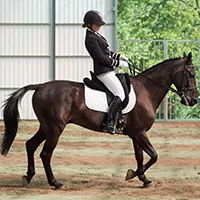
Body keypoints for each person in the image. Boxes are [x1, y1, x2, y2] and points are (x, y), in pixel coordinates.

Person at [82, 10, 129, 134]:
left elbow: (107, 52)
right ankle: (109, 122)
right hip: (103, 72)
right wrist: (118, 64)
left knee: (121, 91)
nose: (99, 26)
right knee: (120, 93)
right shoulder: (91, 38)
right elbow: (101, 58)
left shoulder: (97, 35)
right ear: (89, 24)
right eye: (97, 24)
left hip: (108, 70)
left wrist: (119, 57)